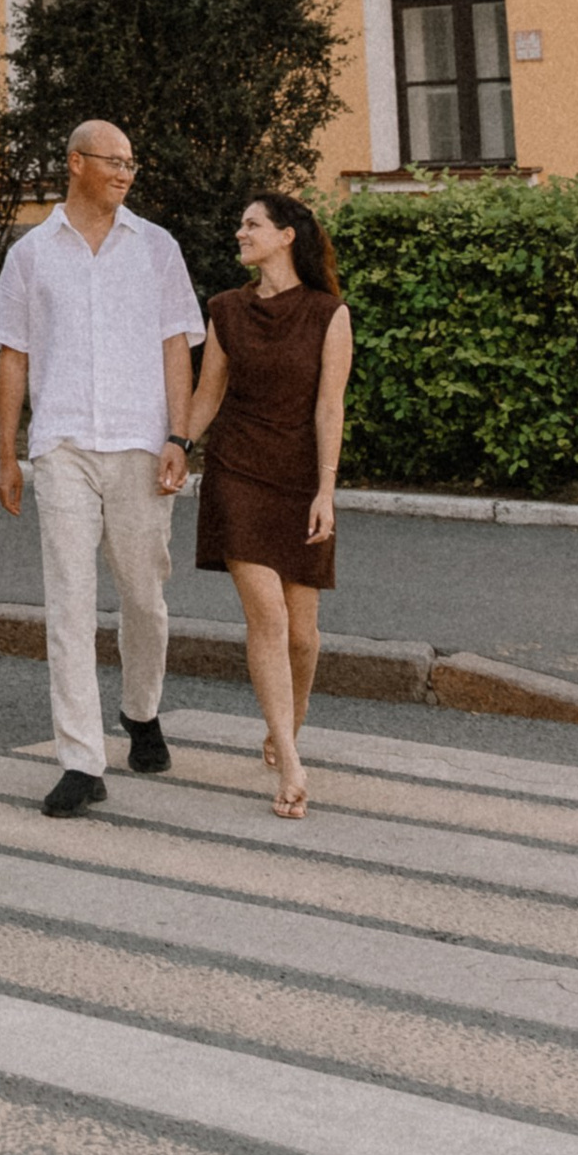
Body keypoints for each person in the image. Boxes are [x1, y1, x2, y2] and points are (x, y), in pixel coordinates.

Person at [0, 119, 202, 818]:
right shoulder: (30, 254)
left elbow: (178, 345)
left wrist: (180, 434)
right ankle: (81, 759)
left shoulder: (157, 248)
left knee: (144, 594)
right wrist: (8, 452)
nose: (126, 172)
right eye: (114, 161)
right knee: (69, 602)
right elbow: (12, 353)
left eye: (132, 163)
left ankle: (141, 710)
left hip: (142, 443)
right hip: (64, 445)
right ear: (76, 162)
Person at [186, 194, 353, 820]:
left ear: (286, 236)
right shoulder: (226, 310)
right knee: (269, 621)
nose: (240, 233)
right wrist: (180, 444)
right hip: (236, 473)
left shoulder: (328, 313)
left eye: (251, 225)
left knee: (304, 637)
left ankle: (288, 727)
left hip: (299, 479)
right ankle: (289, 758)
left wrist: (326, 490)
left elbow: (329, 407)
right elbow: (209, 391)